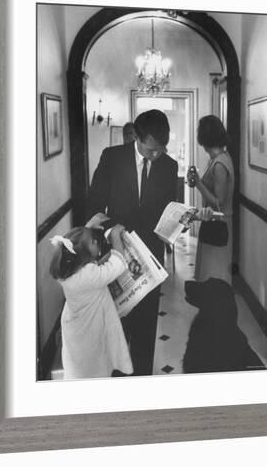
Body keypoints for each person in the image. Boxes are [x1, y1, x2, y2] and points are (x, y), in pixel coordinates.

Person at [87, 109, 178, 375]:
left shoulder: (169, 165)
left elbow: (167, 211)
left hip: (150, 258)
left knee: (146, 325)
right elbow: (92, 205)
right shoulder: (112, 158)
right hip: (115, 254)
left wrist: (180, 220)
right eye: (151, 150)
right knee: (117, 323)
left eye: (161, 149)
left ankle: (141, 380)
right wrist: (111, 230)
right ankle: (117, 377)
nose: (156, 155)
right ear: (137, 138)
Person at [49, 225, 133, 380]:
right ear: (84, 254)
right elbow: (118, 264)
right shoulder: (89, 275)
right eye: (94, 241)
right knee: (95, 366)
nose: (97, 241)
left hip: (76, 327)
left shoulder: (70, 272)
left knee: (80, 367)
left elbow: (96, 266)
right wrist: (115, 237)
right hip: (90, 329)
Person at [187, 115, 235, 284]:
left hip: (219, 223)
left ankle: (214, 307)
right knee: (209, 272)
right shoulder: (217, 159)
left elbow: (218, 201)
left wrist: (198, 183)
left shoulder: (220, 164)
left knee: (214, 274)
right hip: (212, 220)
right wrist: (197, 182)